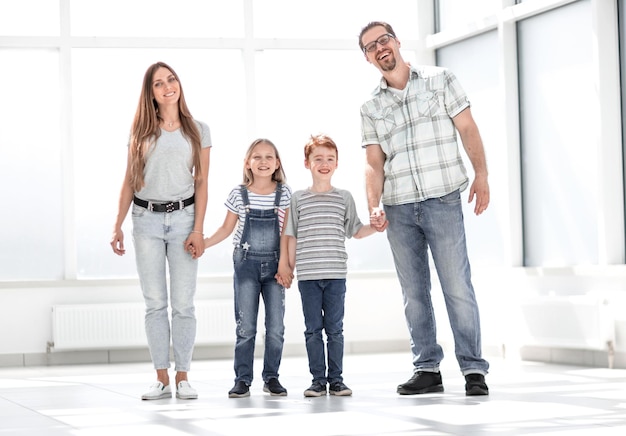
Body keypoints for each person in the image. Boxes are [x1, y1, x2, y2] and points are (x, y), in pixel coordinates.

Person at [358, 21, 490, 396]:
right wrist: (373, 205)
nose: (380, 48)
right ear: (367, 57)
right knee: (414, 292)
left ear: (396, 42)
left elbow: (467, 128)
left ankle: (473, 370)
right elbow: (373, 162)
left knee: (457, 286)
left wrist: (481, 174)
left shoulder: (440, 79)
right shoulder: (370, 106)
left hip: (443, 199)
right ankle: (427, 368)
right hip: (399, 207)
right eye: (371, 46)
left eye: (384, 40)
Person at [110, 61, 211, 400]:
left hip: (184, 220)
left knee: (184, 303)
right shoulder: (140, 131)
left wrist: (198, 230)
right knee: (155, 303)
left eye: (171, 79)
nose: (168, 86)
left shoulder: (198, 129)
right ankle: (161, 377)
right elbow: (128, 180)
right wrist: (117, 225)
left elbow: (202, 182)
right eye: (158, 83)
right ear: (150, 92)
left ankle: (183, 376)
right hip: (146, 220)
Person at [277, 134, 378, 398]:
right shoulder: (297, 199)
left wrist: (376, 227)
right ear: (307, 163)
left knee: (335, 329)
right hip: (308, 277)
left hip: (335, 276)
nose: (324, 163)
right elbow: (291, 235)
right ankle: (317, 382)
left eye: (330, 159)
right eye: (318, 158)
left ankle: (337, 380)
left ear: (337, 163)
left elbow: (356, 231)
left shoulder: (344, 197)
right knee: (313, 330)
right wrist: (287, 267)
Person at [197, 138, 292, 398]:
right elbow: (227, 229)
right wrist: (204, 243)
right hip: (246, 265)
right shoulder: (239, 194)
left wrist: (285, 264)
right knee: (245, 327)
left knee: (275, 328)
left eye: (268, 157)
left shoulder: (284, 193)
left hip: (275, 266)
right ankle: (242, 379)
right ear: (247, 163)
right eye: (257, 157)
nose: (263, 162)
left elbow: (287, 232)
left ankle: (271, 377)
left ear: (277, 163)